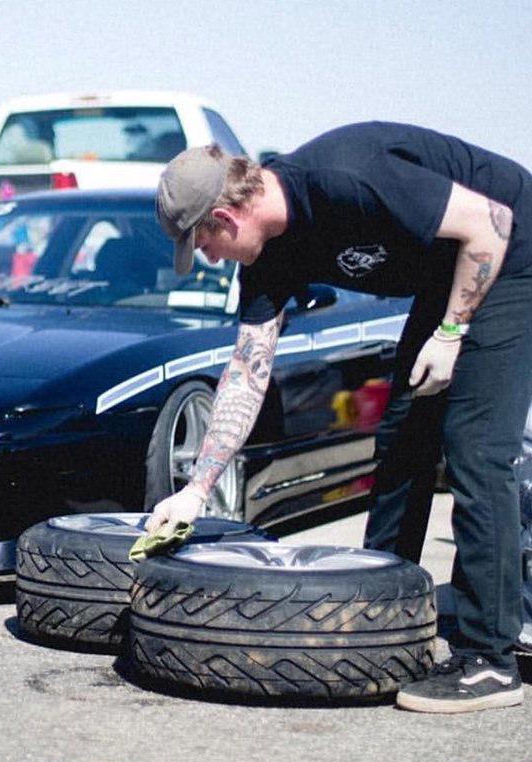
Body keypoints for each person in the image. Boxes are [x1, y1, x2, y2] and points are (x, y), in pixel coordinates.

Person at [148, 122, 532, 714]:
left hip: (510, 253)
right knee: (403, 438)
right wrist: (196, 491)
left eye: (202, 245)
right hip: (449, 270)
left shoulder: (348, 178)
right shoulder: (268, 258)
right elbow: (247, 373)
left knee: (474, 448)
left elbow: (491, 225)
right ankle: (385, 612)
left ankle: (490, 660)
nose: (208, 258)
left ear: (225, 218)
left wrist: (452, 334)